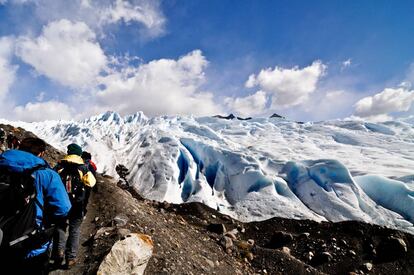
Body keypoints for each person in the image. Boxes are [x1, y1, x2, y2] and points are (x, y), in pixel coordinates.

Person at [0, 137, 71, 274]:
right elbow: (63, 208)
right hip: (31, 245)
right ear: (41, 153)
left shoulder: (2, 164)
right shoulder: (48, 174)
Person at [52, 143, 96, 269]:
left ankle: (58, 254)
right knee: (74, 230)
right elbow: (91, 183)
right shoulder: (83, 168)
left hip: (60, 202)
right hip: (77, 204)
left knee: (60, 228)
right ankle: (71, 257)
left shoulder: (59, 166)